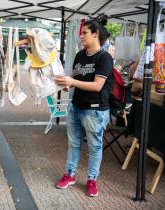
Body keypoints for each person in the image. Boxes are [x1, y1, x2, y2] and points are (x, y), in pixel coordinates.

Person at [54, 15, 113, 197]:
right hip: (75, 107)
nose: (81, 36)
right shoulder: (80, 55)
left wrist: (72, 81)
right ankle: (70, 175)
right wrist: (65, 84)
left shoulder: (104, 58)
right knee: (73, 143)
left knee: (95, 147)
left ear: (95, 34)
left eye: (84, 33)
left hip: (95, 110)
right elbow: (75, 81)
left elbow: (97, 86)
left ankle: (92, 180)